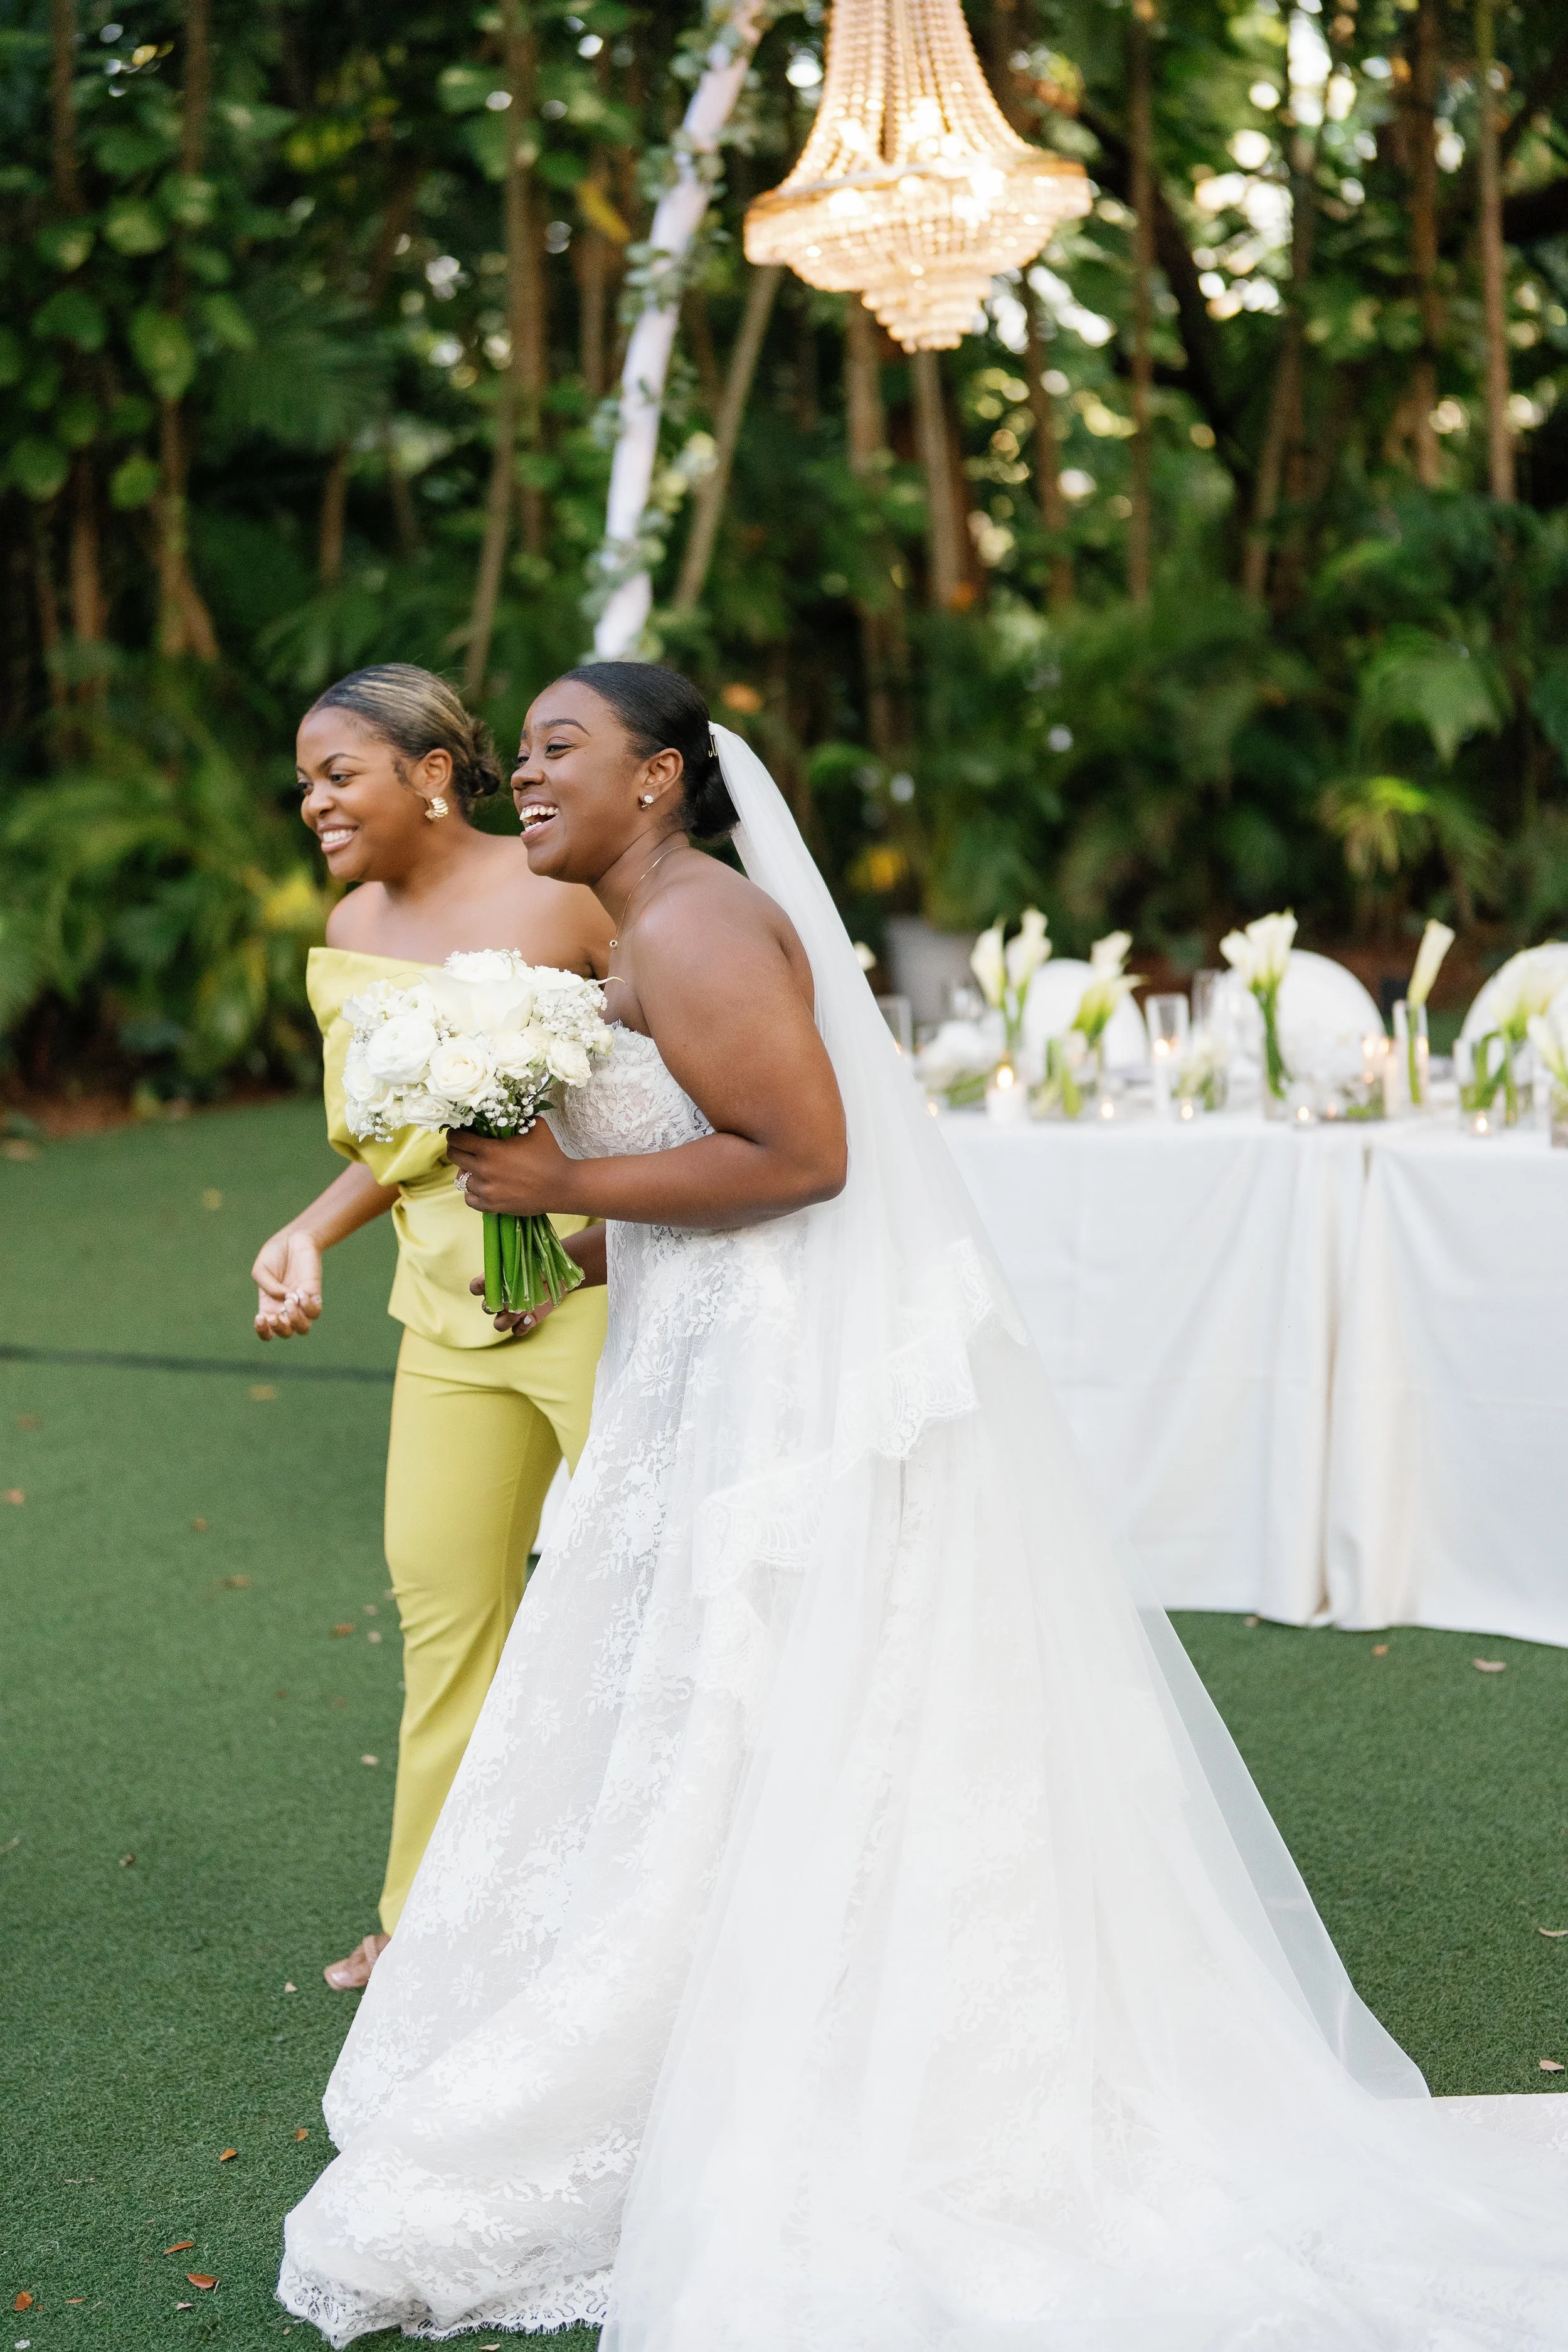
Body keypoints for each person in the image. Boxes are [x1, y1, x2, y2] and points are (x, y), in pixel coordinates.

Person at [280, 665, 1568, 2349]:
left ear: (659, 777)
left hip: (776, 1384)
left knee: (784, 1695)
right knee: (733, 1715)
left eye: (559, 747)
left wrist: (574, 1183)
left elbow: (806, 1153)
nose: (526, 772)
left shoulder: (694, 928)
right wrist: (588, 1239)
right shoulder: (653, 915)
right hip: (705, 1358)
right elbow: (722, 1146)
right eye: (517, 750)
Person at [252, 663, 613, 1991]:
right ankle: (426, 1925)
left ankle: (670, 1916)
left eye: (336, 773)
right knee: (447, 1615)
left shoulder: (562, 890)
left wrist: (586, 1243)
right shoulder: (353, 920)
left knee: (666, 1601)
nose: (312, 802)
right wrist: (309, 1232)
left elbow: (676, 1089)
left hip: (598, 1300)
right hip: (441, 1318)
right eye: (303, 781)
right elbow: (409, 1140)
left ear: (431, 774)